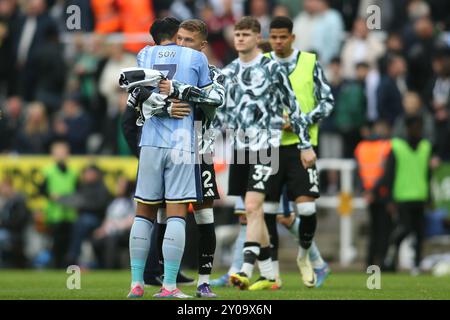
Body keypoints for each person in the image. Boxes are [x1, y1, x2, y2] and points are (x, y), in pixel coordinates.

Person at [215, 16, 315, 291]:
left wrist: (305, 145)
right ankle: (270, 275)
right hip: (240, 147)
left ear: (258, 38)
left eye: (246, 34)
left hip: (266, 147)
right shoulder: (229, 71)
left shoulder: (272, 67)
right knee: (252, 213)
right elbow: (222, 113)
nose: (240, 39)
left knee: (252, 207)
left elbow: (293, 108)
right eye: (237, 34)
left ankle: (246, 267)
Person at [125, 17, 215, 299]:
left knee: (144, 212)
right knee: (176, 212)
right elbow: (207, 98)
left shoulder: (145, 53)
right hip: (182, 142)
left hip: (150, 141)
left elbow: (134, 94)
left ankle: (136, 284)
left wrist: (159, 105)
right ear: (178, 34)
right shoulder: (197, 57)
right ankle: (169, 287)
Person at [149, 18, 225, 298]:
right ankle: (165, 280)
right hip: (167, 151)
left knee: (205, 217)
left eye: (188, 40)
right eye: (178, 39)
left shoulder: (212, 71)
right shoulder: (162, 72)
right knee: (162, 215)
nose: (180, 45)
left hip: (199, 150)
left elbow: (217, 98)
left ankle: (203, 282)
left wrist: (180, 91)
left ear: (202, 45)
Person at [261, 16, 334, 288]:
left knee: (306, 208)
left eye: (283, 37)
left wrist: (301, 120)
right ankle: (274, 274)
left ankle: (305, 256)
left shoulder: (310, 61)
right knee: (267, 211)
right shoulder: (262, 63)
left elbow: (327, 101)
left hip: (302, 147)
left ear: (292, 37)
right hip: (269, 146)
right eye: (274, 37)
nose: (278, 42)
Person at [380, 116, 432, 275]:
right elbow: (389, 174)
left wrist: (430, 196)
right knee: (405, 229)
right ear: (408, 128)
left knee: (419, 233)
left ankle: (416, 264)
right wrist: (389, 199)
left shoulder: (425, 146)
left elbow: (427, 174)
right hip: (402, 196)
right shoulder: (397, 147)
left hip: (420, 195)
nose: (417, 129)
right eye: (414, 126)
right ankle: (391, 253)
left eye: (419, 126)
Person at [355, 120, 393, 268]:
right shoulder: (386, 146)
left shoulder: (361, 147)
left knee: (374, 230)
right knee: (384, 230)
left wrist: (366, 191)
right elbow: (388, 173)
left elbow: (358, 172)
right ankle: (381, 262)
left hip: (369, 194)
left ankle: (370, 263)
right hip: (383, 194)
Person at [58, 164, 112, 266]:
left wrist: (83, 204)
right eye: (86, 173)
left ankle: (73, 255)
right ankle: (70, 256)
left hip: (97, 219)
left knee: (83, 222)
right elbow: (73, 199)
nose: (87, 175)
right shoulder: (82, 187)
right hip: (81, 218)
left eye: (90, 173)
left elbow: (101, 206)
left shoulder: (102, 188)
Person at [39, 141, 78, 268]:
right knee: (56, 241)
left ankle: (66, 266)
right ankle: (55, 265)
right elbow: (41, 190)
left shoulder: (73, 172)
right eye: (58, 152)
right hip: (54, 213)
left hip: (70, 213)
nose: (61, 155)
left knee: (68, 241)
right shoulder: (47, 171)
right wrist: (51, 195)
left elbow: (78, 190)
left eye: (63, 152)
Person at [92, 176, 135, 269]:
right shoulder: (114, 202)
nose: (118, 187)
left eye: (121, 185)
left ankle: (110, 268)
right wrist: (102, 230)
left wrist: (115, 227)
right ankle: (101, 266)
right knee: (96, 240)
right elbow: (107, 219)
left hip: (126, 233)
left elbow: (132, 220)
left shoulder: (132, 201)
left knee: (111, 240)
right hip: (110, 232)